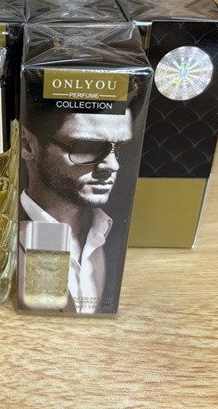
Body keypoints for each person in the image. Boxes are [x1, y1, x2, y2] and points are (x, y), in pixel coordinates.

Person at [20, 109, 133, 313]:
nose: (113, 165)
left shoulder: (118, 237)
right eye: (86, 147)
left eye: (119, 149)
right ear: (28, 144)